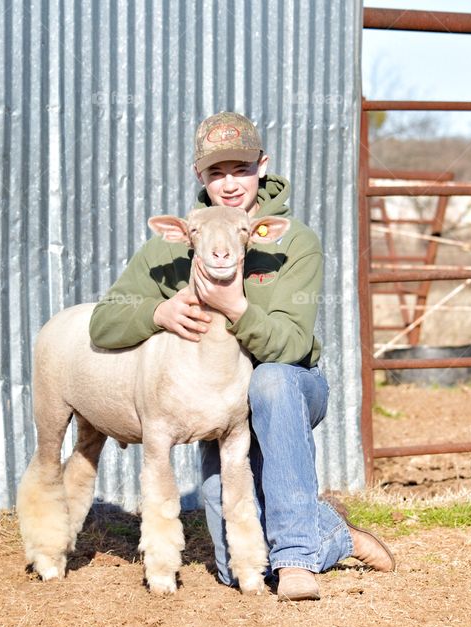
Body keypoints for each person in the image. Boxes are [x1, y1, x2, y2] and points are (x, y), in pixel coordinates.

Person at [89, 111, 394, 601]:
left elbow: (292, 346)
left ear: (263, 166)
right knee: (236, 571)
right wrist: (157, 312)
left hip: (290, 388)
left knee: (269, 380)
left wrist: (235, 308)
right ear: (200, 177)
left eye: (241, 169)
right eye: (216, 172)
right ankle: (334, 534)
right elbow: (103, 323)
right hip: (216, 404)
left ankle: (297, 558)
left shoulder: (291, 240)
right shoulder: (173, 244)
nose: (229, 184)